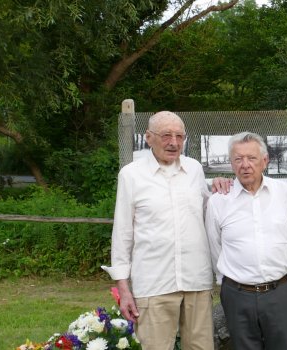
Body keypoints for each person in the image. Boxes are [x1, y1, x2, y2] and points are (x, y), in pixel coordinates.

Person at [102, 111, 214, 349]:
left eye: (179, 136)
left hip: (197, 281)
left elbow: (213, 211)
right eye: (166, 135)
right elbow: (122, 233)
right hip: (154, 283)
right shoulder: (131, 175)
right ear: (148, 138)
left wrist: (221, 185)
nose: (173, 142)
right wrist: (123, 287)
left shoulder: (195, 170)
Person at [205, 131, 287, 350]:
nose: (245, 165)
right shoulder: (219, 201)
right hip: (238, 296)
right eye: (238, 159)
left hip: (280, 293)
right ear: (231, 162)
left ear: (264, 161)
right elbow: (215, 248)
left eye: (252, 158)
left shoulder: (283, 192)